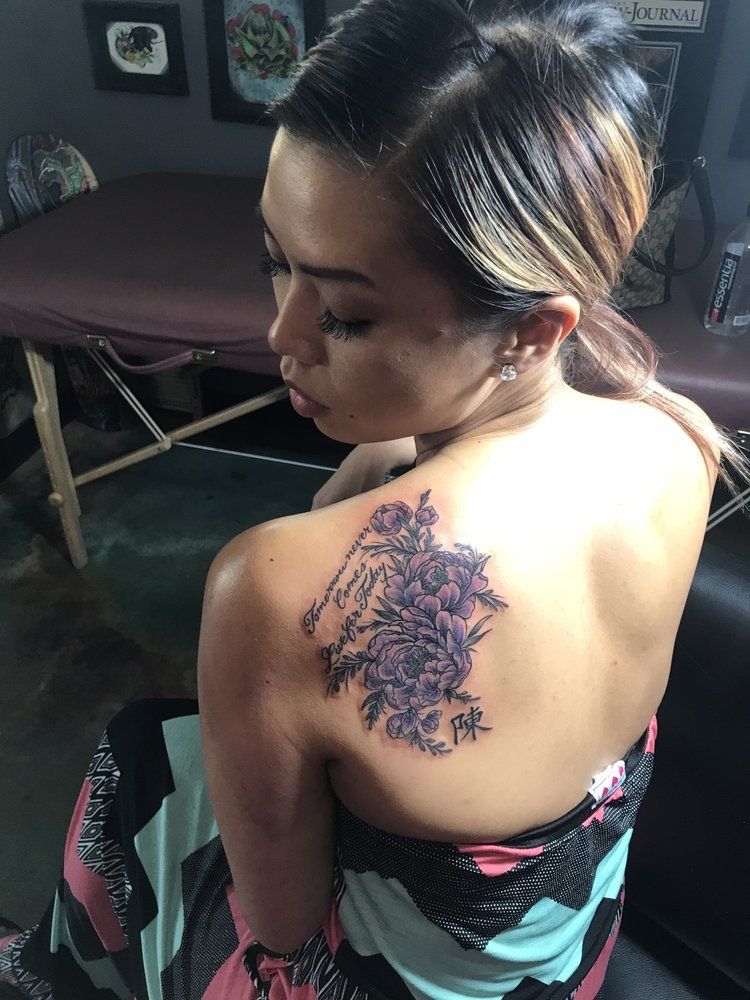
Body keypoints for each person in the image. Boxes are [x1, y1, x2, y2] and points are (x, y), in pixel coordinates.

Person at [2, 0, 749, 997]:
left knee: (142, 757)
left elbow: (279, 917)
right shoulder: (678, 441)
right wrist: (386, 454)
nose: (282, 336)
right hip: (563, 949)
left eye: (347, 314)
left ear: (529, 330)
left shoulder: (278, 591)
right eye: (277, 263)